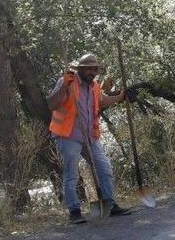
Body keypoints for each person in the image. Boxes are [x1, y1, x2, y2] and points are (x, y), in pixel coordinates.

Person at [47, 53, 131, 224]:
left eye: (95, 69)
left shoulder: (94, 86)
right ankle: (74, 211)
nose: (93, 72)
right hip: (69, 135)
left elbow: (101, 101)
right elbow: (51, 104)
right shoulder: (67, 82)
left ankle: (110, 205)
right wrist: (64, 86)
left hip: (91, 136)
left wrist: (120, 97)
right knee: (71, 174)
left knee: (105, 168)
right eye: (90, 69)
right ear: (81, 69)